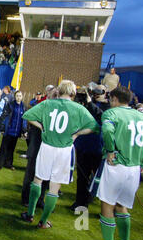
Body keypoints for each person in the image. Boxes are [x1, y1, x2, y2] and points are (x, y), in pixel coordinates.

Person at [20, 80, 99, 229]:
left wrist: (42, 126)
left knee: (38, 179)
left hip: (47, 147)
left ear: (59, 91)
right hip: (64, 150)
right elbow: (94, 126)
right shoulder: (79, 108)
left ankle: (30, 214)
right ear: (73, 93)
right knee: (54, 186)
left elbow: (28, 115)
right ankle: (43, 222)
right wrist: (77, 134)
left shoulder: (48, 104)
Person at [95, 86, 143, 240]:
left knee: (107, 205)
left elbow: (106, 130)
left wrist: (110, 150)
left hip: (116, 165)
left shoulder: (111, 113)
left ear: (115, 99)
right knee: (122, 206)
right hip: (134, 168)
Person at [71, 87, 104, 211]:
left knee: (100, 179)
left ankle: (107, 208)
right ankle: (81, 203)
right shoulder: (82, 107)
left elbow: (101, 116)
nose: (96, 94)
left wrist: (90, 104)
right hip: (83, 147)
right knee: (82, 178)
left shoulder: (106, 108)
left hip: (97, 148)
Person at [0, 90, 27, 171]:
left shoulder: (24, 107)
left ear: (22, 97)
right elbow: (4, 116)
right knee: (3, 148)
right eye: (17, 96)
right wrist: (2, 127)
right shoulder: (10, 105)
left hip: (16, 132)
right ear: (14, 97)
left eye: (20, 96)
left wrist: (24, 130)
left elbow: (25, 119)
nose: (18, 97)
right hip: (8, 131)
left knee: (11, 149)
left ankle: (8, 164)